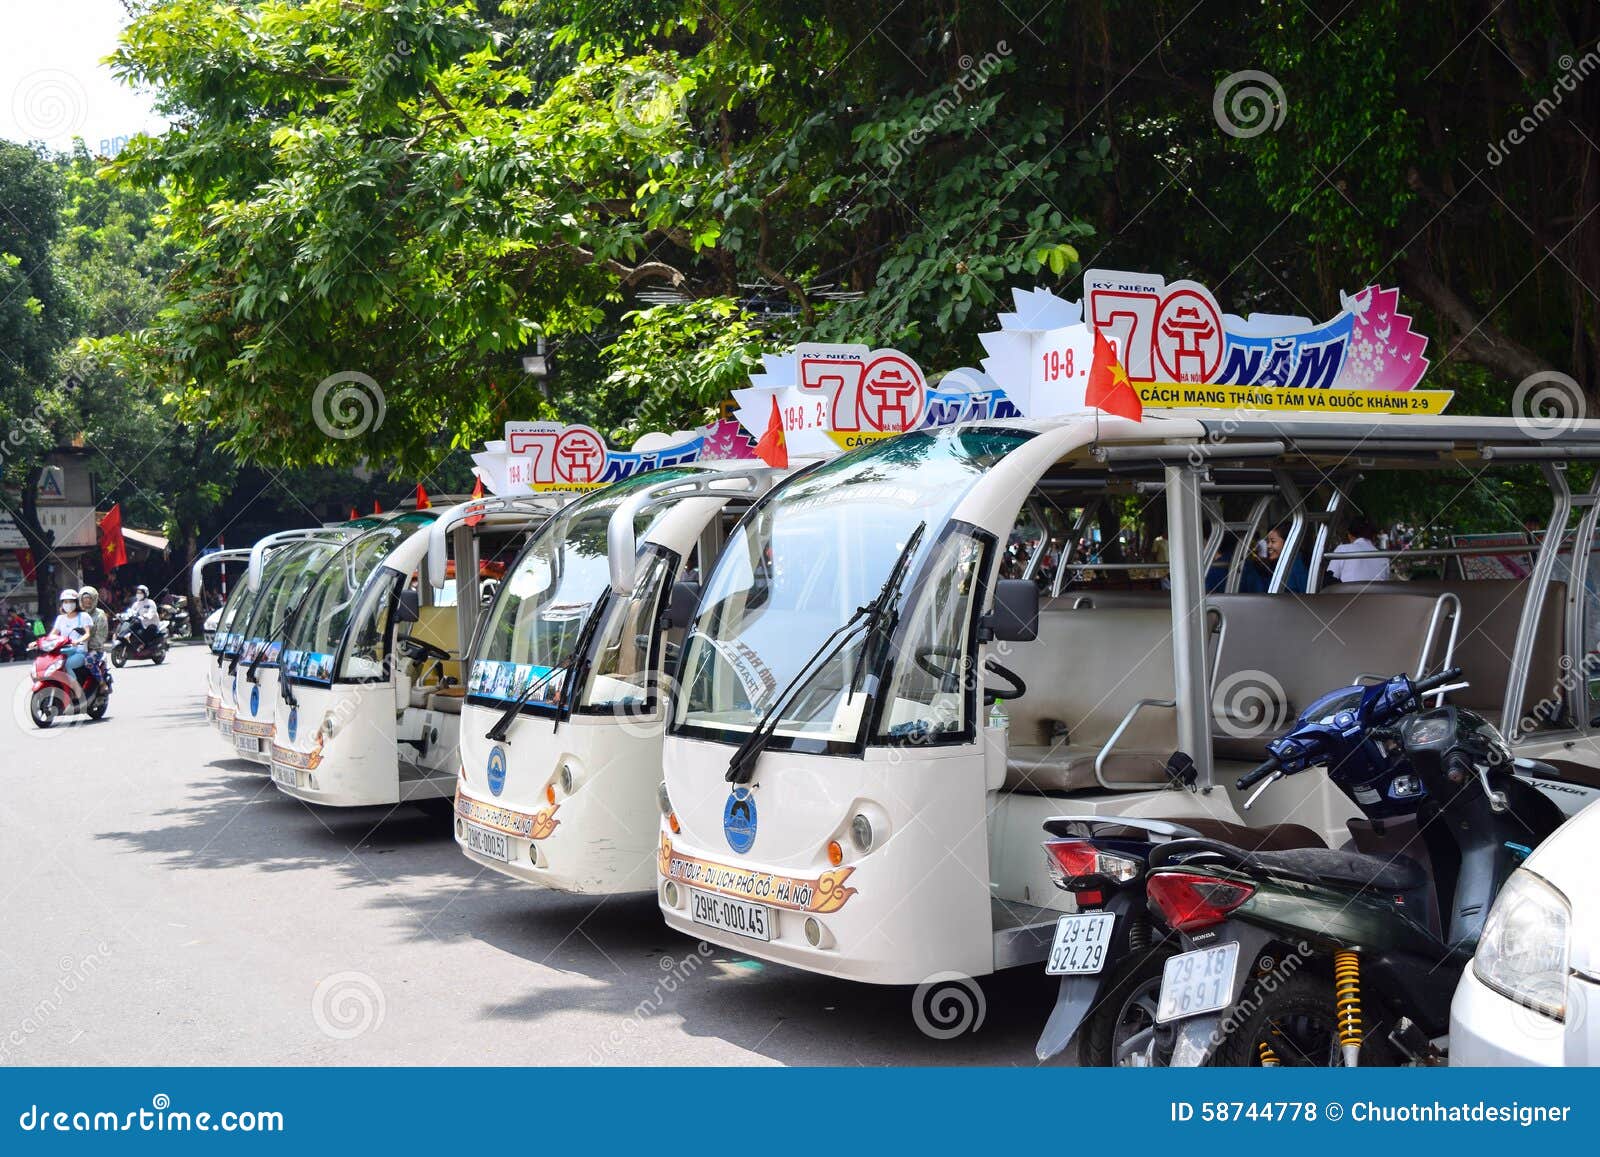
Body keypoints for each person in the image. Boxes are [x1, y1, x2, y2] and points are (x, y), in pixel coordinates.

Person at [1327, 517, 1391, 584]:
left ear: (1349, 535)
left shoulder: (1342, 550)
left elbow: (1331, 578)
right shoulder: (1384, 557)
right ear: (1373, 536)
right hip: (1377, 594)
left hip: (1349, 594)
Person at [50, 589, 93, 677]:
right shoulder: (60, 618)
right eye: (65, 602)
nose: (68, 604)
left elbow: (87, 634)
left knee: (67, 665)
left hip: (79, 652)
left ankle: (75, 689)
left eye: (71, 601)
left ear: (76, 603)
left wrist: (78, 641)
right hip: (63, 651)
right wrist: (39, 642)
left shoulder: (84, 616)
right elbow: (52, 634)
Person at [1261, 525, 1309, 594]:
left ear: (1287, 542)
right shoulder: (1278, 564)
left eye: (1273, 541)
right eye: (1268, 542)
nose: (1268, 546)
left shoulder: (1298, 566)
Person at [128, 584, 161, 648]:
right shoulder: (136, 604)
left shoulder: (150, 602)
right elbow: (131, 611)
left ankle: (144, 646)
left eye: (140, 593)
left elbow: (152, 612)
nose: (138, 594)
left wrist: (146, 615)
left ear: (145, 593)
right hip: (141, 624)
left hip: (151, 624)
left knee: (146, 631)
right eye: (137, 592)